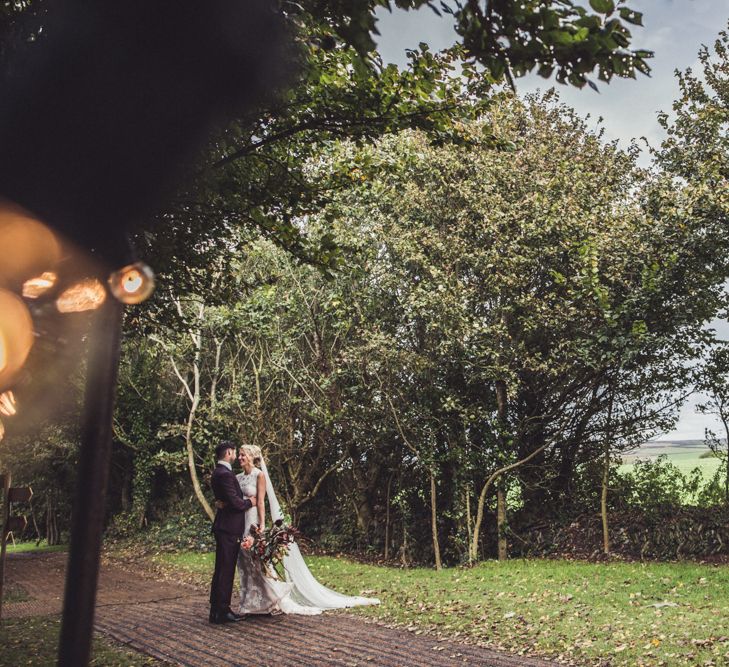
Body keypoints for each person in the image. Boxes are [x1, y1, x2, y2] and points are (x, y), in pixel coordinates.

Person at [235, 444, 380, 615]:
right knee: (244, 563)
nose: (240, 457)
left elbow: (260, 502)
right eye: (239, 455)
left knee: (258, 563)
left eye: (243, 455)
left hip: (252, 522)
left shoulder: (259, 475)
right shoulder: (237, 477)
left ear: (252, 457)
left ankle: (268, 601)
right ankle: (249, 602)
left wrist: (261, 526)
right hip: (240, 522)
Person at [209, 441, 257, 624]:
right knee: (226, 570)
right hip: (229, 528)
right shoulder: (226, 474)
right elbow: (237, 503)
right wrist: (250, 503)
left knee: (221, 569)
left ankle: (215, 610)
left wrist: (223, 502)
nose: (237, 456)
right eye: (235, 452)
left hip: (224, 525)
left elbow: (226, 499)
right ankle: (222, 611)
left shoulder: (217, 472)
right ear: (229, 453)